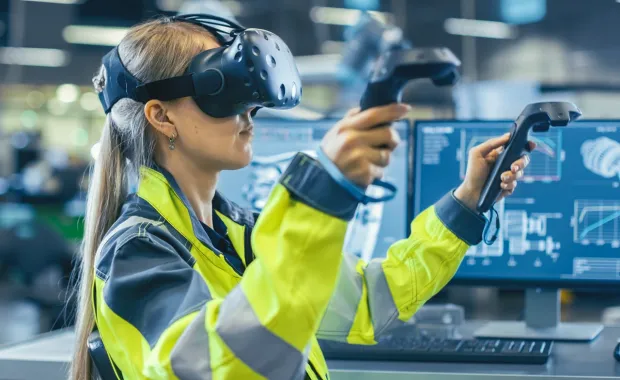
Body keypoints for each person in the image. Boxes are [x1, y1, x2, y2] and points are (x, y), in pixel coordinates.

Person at [71, 16, 533, 380]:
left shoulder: (241, 235)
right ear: (161, 116)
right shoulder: (137, 252)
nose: (250, 112)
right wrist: (323, 191)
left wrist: (467, 201)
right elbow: (220, 368)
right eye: (223, 90)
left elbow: (374, 300)